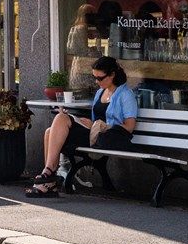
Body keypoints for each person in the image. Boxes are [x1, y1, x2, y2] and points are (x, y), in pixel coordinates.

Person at [27, 55, 138, 198]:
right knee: (50, 131)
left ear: (112, 75)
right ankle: (48, 180)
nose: (97, 82)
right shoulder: (100, 93)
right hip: (95, 134)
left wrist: (102, 125)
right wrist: (86, 122)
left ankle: (48, 175)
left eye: (100, 78)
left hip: (110, 136)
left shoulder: (125, 94)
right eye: (95, 78)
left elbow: (129, 127)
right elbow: (95, 120)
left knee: (61, 118)